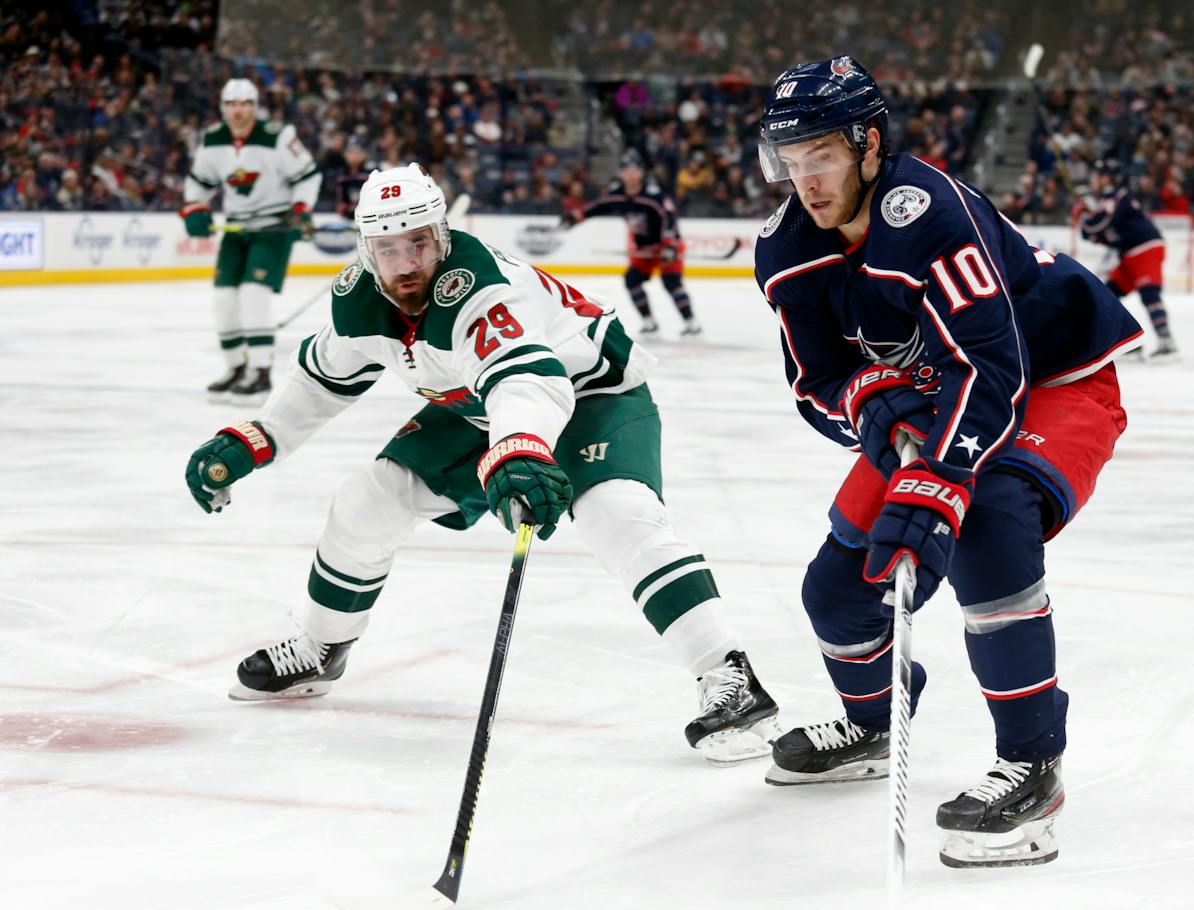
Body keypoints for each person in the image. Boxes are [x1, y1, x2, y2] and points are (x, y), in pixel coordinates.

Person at [183, 164, 779, 766]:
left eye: (418, 242)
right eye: (388, 249)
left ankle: (729, 677)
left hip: (591, 394)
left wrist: (517, 449)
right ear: (367, 251)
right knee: (370, 499)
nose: (407, 263)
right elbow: (322, 379)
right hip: (475, 409)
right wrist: (253, 438)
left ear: (441, 236)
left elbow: (528, 380)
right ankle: (322, 646)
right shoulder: (359, 296)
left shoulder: (483, 288)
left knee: (615, 515)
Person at [753, 57, 1143, 867]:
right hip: (941, 388)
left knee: (984, 522)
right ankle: (872, 722)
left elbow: (992, 368)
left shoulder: (927, 211)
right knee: (837, 589)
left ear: (868, 144)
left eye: (820, 155)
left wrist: (940, 480)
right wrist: (869, 400)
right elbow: (814, 381)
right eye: (789, 163)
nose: (805, 182)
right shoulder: (787, 247)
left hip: (1052, 376)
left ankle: (1033, 764)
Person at [180, 78, 323, 401]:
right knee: (224, 300)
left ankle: (259, 370)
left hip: (273, 227)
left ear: (254, 107)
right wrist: (196, 209)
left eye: (244, 103)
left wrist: (301, 209)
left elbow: (308, 176)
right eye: (231, 104)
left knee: (253, 294)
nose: (237, 111)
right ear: (223, 108)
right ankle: (235, 367)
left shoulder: (278, 135)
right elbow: (199, 183)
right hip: (236, 229)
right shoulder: (213, 140)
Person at [560, 151, 701, 338]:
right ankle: (649, 322)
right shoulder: (618, 193)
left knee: (672, 282)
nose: (631, 175)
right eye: (627, 171)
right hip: (643, 249)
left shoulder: (653, 195)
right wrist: (576, 216)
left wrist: (669, 245)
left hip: (667, 245)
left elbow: (669, 218)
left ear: (641, 173)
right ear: (621, 173)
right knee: (632, 280)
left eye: (634, 170)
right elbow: (599, 206)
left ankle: (691, 322)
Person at [1074, 160, 1179, 361]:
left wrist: (1088, 223)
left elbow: (1103, 222)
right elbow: (1104, 233)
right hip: (1129, 253)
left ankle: (1167, 342)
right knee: (1108, 295)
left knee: (1149, 293)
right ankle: (1130, 343)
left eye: (1097, 175)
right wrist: (1090, 227)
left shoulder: (1116, 196)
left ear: (1106, 178)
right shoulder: (1108, 200)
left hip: (1144, 248)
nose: (1093, 180)